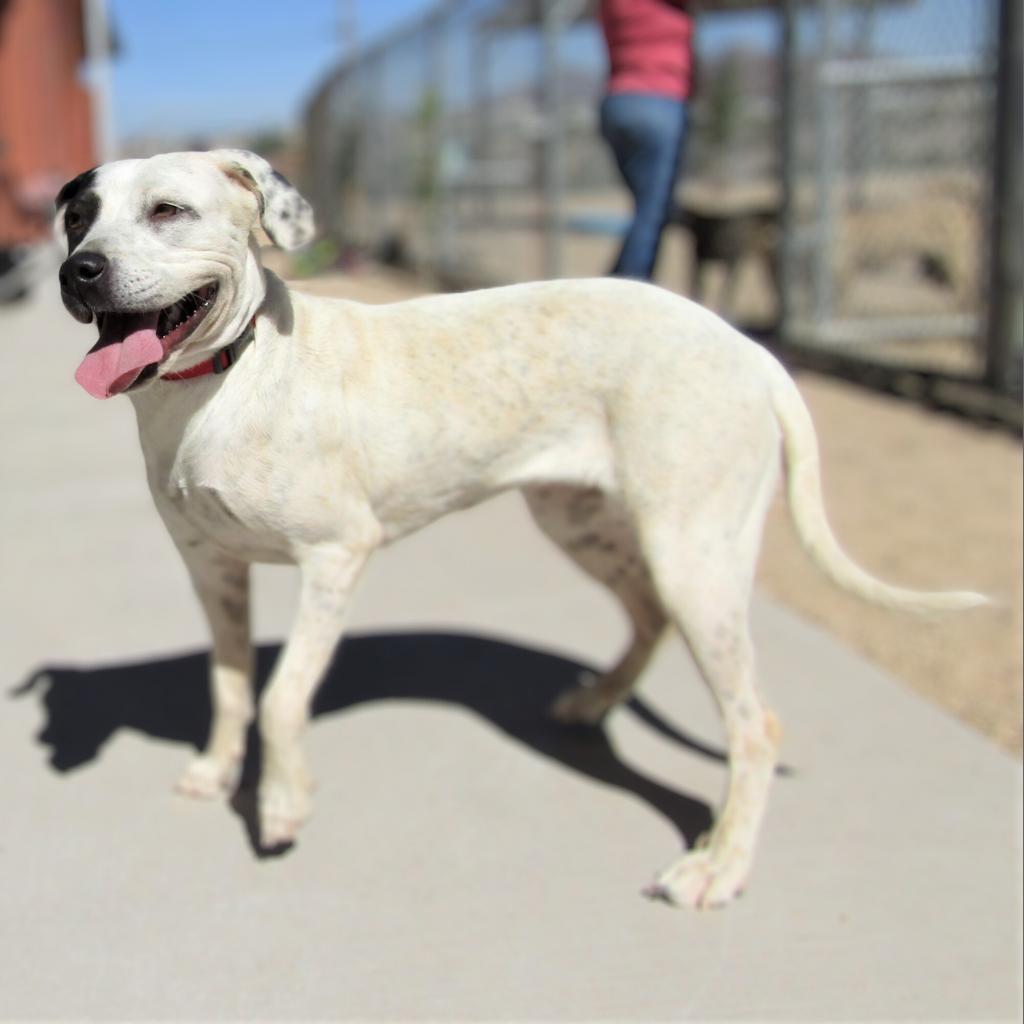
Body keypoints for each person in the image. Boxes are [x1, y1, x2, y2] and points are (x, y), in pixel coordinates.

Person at [598, 0, 693, 281]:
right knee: (653, 212)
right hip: (659, 100)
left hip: (617, 101)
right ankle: (627, 289)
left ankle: (622, 283)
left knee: (646, 210)